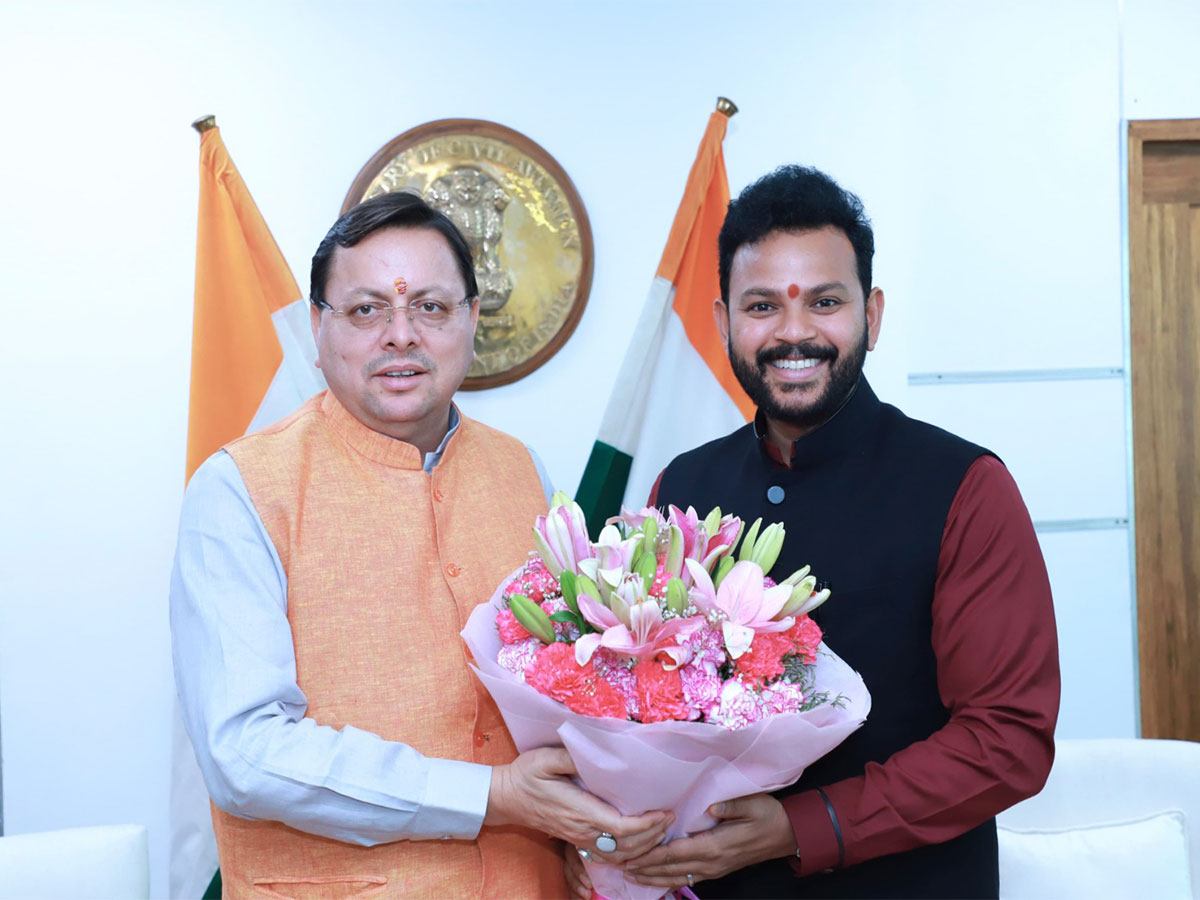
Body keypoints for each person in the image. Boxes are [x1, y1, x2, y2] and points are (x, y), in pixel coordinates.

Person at [567, 166, 1060, 899]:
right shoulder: (684, 486)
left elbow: (1007, 739)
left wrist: (806, 826)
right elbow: (636, 699)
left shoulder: (963, 486)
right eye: (762, 305)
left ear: (873, 314)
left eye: (825, 302)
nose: (794, 333)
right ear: (724, 320)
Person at [171, 191, 671, 899]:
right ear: (318, 331)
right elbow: (245, 752)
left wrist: (583, 840)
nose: (400, 334)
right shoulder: (240, 491)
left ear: (472, 321)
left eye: (431, 308)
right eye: (367, 309)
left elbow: (571, 691)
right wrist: (490, 795)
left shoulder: (521, 470)